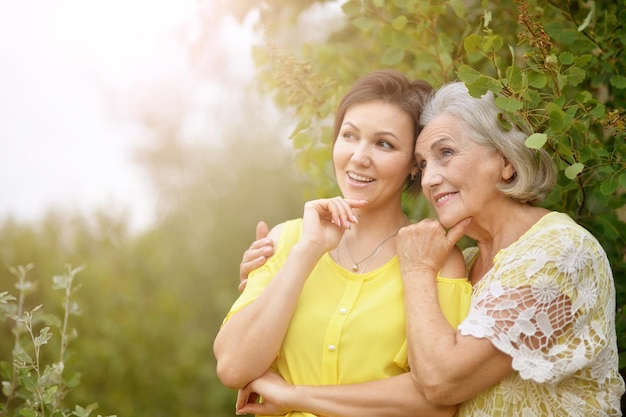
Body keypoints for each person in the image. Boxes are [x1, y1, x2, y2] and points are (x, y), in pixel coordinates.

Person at [213, 70, 472, 417]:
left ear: (414, 164)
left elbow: (437, 402)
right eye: (350, 136)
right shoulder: (286, 241)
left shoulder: (437, 259)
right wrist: (307, 252)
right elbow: (233, 367)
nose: (359, 157)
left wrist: (294, 395)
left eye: (384, 144)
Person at [396, 81, 625, 416]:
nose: (429, 179)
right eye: (424, 164)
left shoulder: (560, 252)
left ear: (506, 161)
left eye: (445, 153)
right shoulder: (466, 261)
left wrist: (416, 271)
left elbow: (440, 381)